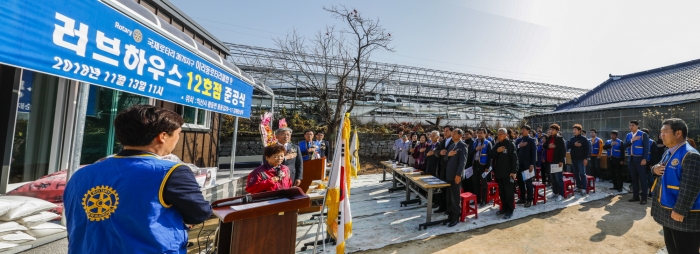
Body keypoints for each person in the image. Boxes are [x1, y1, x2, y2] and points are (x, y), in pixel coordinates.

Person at [64, 105, 212, 253]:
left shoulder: (81, 174)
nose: (177, 140)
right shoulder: (171, 172)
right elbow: (199, 213)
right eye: (178, 134)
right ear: (163, 136)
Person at [651, 118, 700, 254]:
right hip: (668, 211)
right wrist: (654, 169)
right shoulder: (669, 151)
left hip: (682, 215)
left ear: (678, 133)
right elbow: (660, 169)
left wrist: (680, 210)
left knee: (685, 249)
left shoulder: (690, 155)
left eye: (665, 132)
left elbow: (691, 186)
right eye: (661, 132)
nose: (661, 135)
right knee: (672, 248)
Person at [444, 129, 468, 227]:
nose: (452, 135)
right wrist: (448, 155)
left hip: (456, 175)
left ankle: (455, 217)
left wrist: (459, 175)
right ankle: (450, 215)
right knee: (449, 197)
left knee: (455, 197)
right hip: (449, 174)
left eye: (455, 134)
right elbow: (445, 158)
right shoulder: (451, 146)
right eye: (452, 134)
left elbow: (462, 162)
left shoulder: (463, 146)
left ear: (460, 135)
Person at [492, 128, 518, 219]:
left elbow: (514, 159)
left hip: (508, 173)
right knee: (502, 192)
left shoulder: (510, 144)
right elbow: (491, 154)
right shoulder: (497, 145)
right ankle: (504, 208)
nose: (498, 136)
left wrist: (513, 171)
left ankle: (510, 210)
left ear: (506, 135)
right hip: (499, 172)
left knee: (509, 193)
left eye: (500, 134)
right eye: (498, 134)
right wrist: (497, 151)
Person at [624, 120, 650, 204]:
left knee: (643, 179)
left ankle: (644, 197)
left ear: (637, 126)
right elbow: (624, 146)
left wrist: (644, 159)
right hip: (631, 159)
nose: (631, 127)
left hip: (640, 159)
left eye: (633, 125)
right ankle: (635, 196)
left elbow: (646, 148)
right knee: (634, 179)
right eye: (630, 125)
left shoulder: (643, 134)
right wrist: (632, 140)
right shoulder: (628, 135)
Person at [434, 126, 454, 213]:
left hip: (450, 169)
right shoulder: (442, 142)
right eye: (444, 131)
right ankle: (442, 206)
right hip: (442, 168)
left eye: (447, 131)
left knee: (449, 190)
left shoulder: (454, 142)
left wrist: (446, 155)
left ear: (452, 132)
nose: (445, 133)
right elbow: (436, 151)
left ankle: (449, 208)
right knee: (442, 188)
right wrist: (439, 152)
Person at [516, 125, 537, 207]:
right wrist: (519, 146)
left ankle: (529, 199)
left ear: (528, 131)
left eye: (524, 129)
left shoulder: (532, 140)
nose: (522, 131)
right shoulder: (518, 140)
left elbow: (533, 153)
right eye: (522, 129)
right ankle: (522, 198)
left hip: (528, 165)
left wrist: (532, 164)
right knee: (520, 182)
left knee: (528, 183)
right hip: (519, 164)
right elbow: (514, 150)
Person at [545, 124, 567, 201]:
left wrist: (561, 161)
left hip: (557, 162)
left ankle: (561, 194)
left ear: (557, 131)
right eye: (550, 129)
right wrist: (548, 146)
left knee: (558, 179)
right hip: (550, 161)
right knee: (553, 179)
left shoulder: (559, 139)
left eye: (553, 130)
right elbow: (544, 145)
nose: (551, 131)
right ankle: (555, 192)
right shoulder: (549, 138)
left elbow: (563, 150)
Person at [472, 128, 493, 206]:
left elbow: (490, 156)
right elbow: (470, 153)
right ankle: (477, 199)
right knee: (476, 182)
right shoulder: (475, 143)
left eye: (481, 133)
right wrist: (476, 149)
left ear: (485, 134)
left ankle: (483, 200)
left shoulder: (488, 143)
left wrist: (488, 167)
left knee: (484, 183)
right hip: (475, 164)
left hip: (483, 166)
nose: (479, 134)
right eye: (478, 133)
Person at [567, 124, 590, 196]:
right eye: (573, 130)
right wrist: (574, 144)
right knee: (576, 174)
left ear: (579, 131)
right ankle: (578, 186)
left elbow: (587, 149)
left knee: (582, 174)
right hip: (574, 158)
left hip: (581, 159)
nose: (574, 131)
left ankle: (584, 188)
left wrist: (586, 158)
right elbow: (568, 146)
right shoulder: (572, 139)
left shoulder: (584, 139)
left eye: (575, 130)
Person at [642, 128, 659, 198]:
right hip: (641, 163)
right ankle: (644, 192)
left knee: (650, 178)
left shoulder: (652, 142)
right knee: (643, 178)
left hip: (649, 163)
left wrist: (652, 164)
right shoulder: (639, 141)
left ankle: (651, 193)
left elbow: (654, 155)